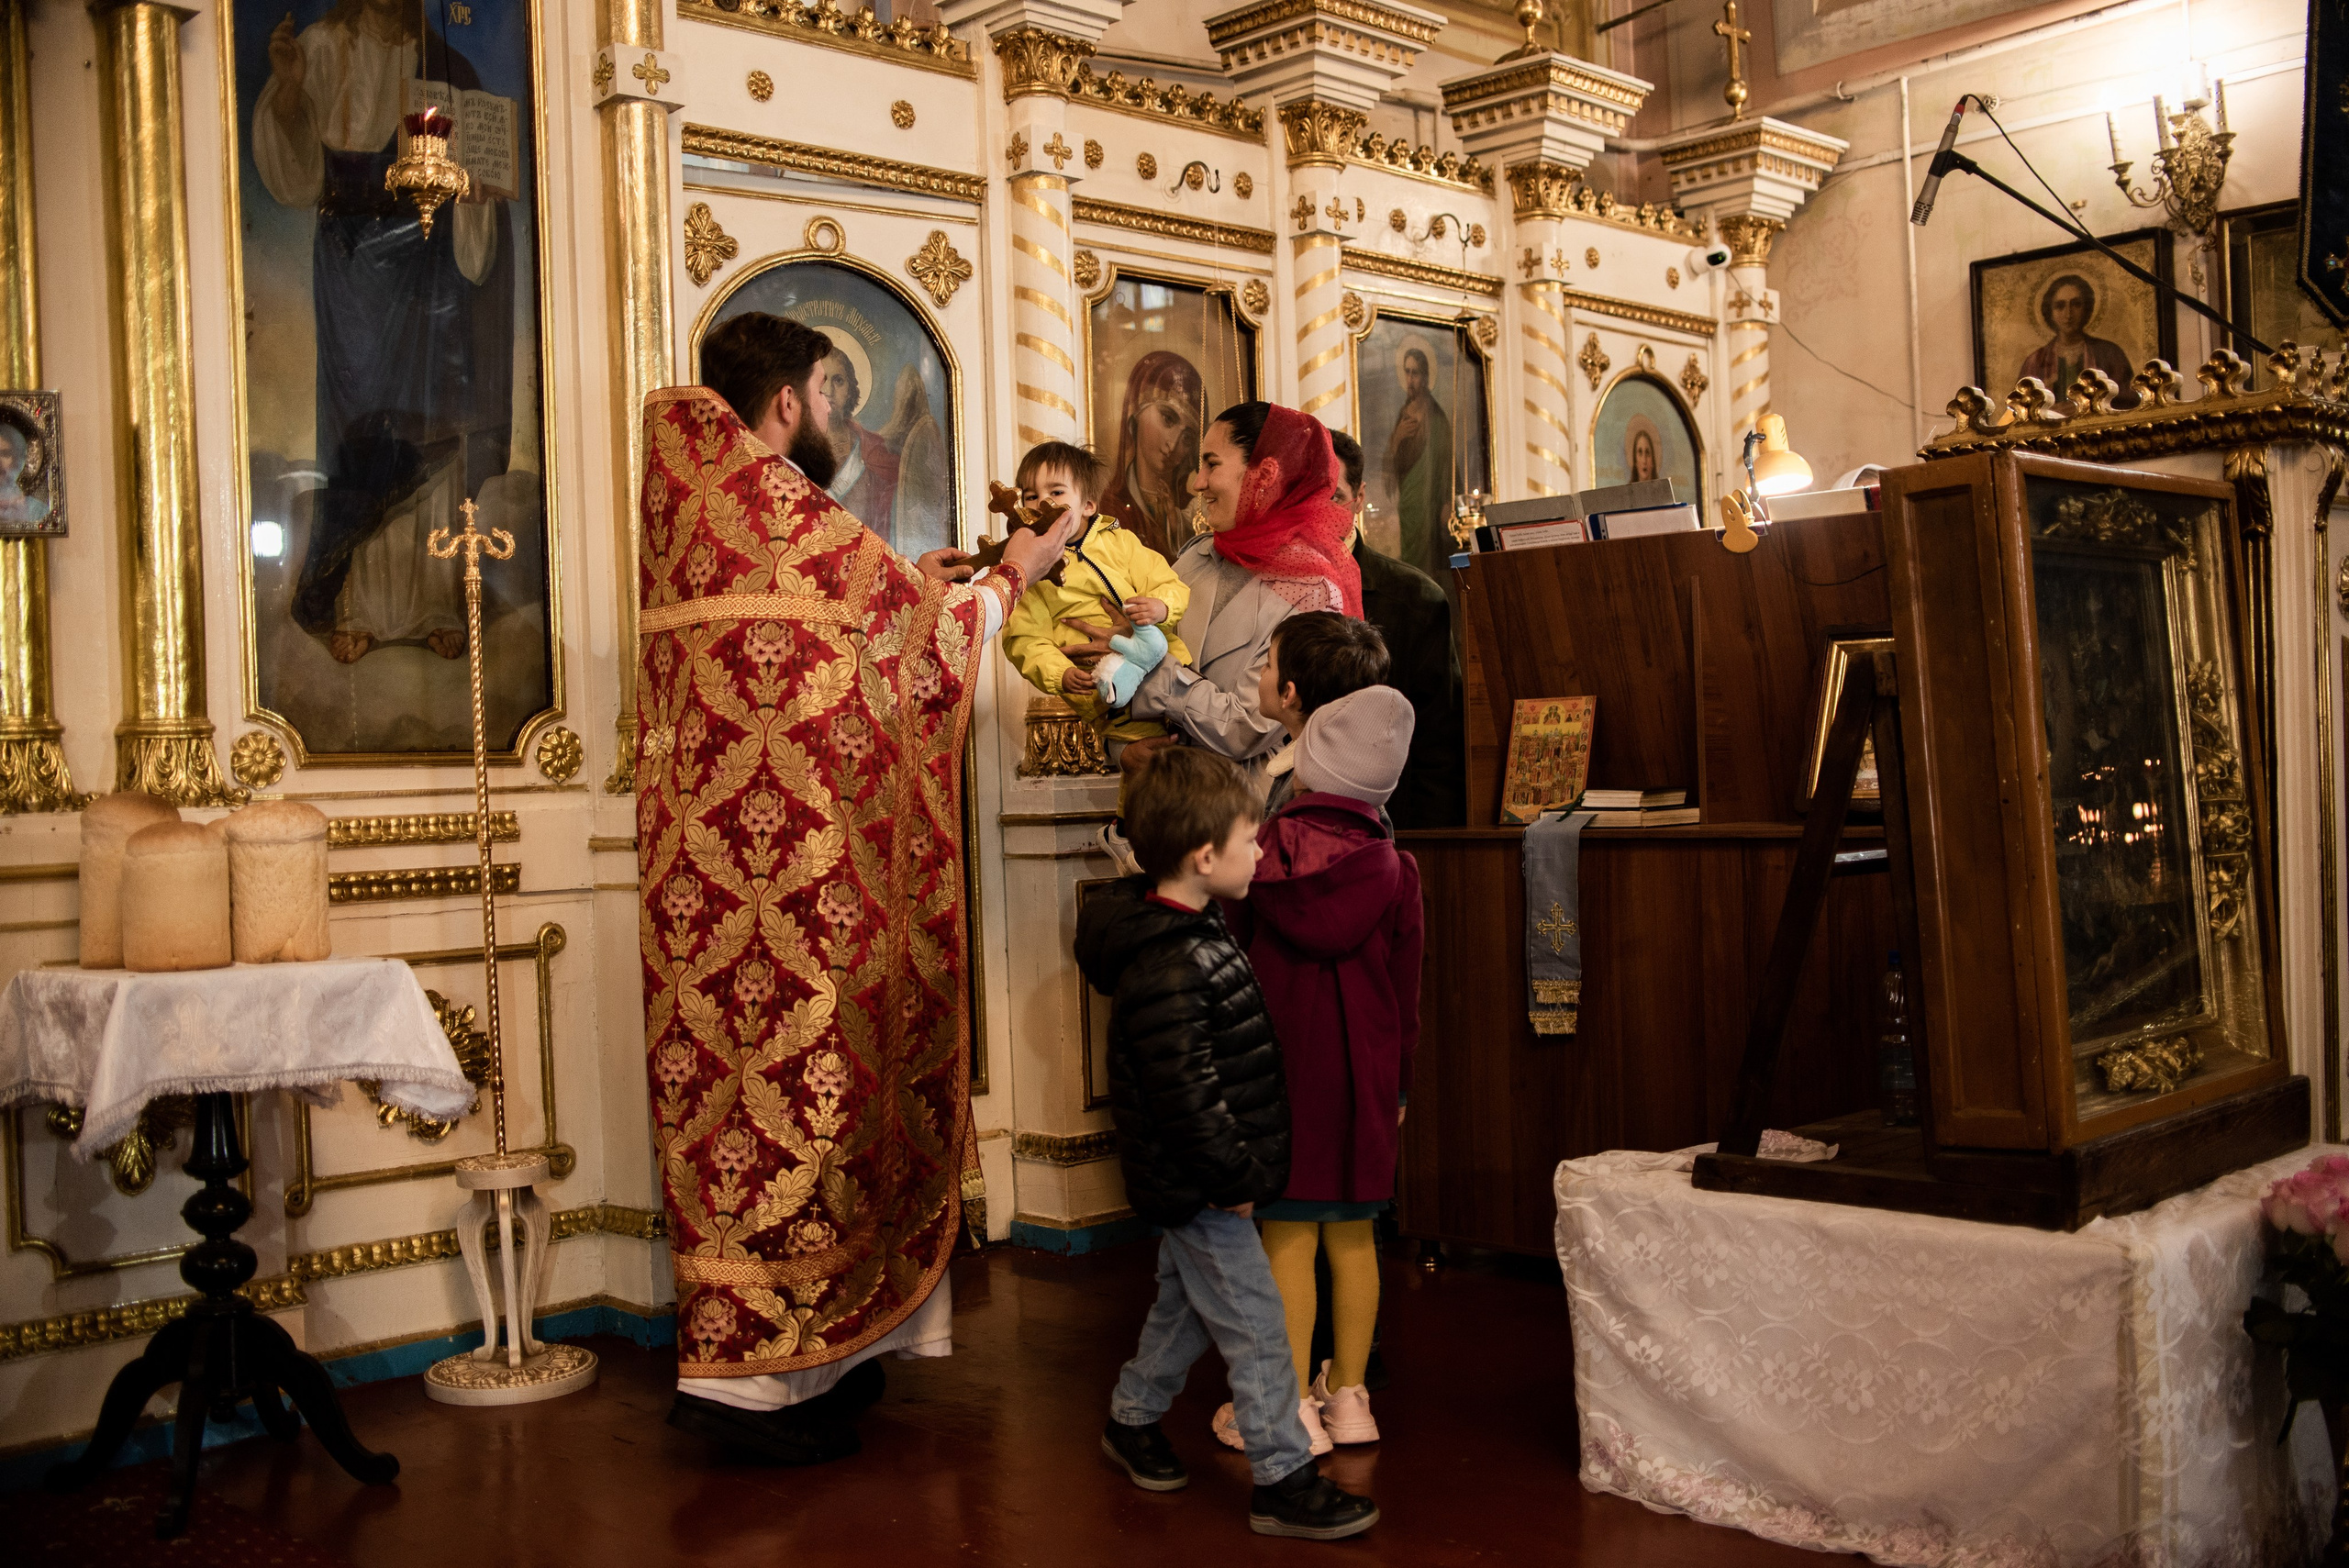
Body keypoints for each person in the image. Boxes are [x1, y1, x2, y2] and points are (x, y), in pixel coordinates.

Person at [640, 310, 1078, 1466]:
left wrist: (913, 584)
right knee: (809, 1108)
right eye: (830, 397)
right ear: (787, 401)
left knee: (749, 1118)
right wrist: (1017, 574)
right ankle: (767, 1382)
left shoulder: (704, 513)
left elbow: (861, 633)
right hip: (806, 900)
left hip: (706, 898)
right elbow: (923, 656)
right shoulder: (786, 506)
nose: (837, 418)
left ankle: (796, 1363)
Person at [1075, 747, 1381, 1542]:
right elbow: (1187, 1098)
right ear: (1205, 857)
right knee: (1257, 1327)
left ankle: (1131, 1418)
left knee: (1182, 1309)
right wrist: (1234, 1176)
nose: (1261, 852)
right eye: (1253, 839)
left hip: (1205, 1180)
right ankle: (1283, 1476)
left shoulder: (1195, 930)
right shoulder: (1170, 962)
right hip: (1204, 1183)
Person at [255, 0, 515, 666]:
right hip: (351, 265)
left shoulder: (445, 67)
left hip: (429, 266)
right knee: (363, 427)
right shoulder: (317, 48)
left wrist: (478, 200)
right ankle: (358, 605)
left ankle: (432, 601)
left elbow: (480, 187)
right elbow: (294, 177)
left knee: (432, 422)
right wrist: (287, 94)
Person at [1225, 686, 1422, 1453]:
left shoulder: (1265, 850)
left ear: (1307, 767)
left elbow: (1236, 954)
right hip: (1365, 1069)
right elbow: (1406, 993)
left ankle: (1283, 1404)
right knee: (1353, 1236)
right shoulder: (1396, 870)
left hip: (1279, 1066)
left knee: (1287, 1237)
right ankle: (1349, 1401)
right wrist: (1399, 1083)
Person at [999, 441, 1193, 754]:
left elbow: (1168, 583)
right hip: (1107, 695)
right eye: (1031, 496)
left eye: (1056, 493)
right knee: (1146, 781)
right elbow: (1024, 639)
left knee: (1196, 759)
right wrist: (1058, 674)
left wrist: (1161, 607)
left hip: (1168, 671)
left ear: (1088, 505)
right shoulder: (1030, 569)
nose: (1042, 504)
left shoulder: (1122, 544)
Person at [1331, 431, 1465, 829]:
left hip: (1390, 831)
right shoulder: (1267, 589)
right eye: (1307, 495)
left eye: (1334, 497)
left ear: (1358, 497)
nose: (1318, 511)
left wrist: (1430, 848)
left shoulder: (1415, 599)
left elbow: (1438, 745)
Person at [1255, 611, 1391, 818]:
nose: (1262, 671)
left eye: (1269, 664)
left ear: (1288, 693)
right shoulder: (1347, 769)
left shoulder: (1307, 784)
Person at [1097, 350, 1208, 562]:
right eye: (1167, 419)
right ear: (1135, 412)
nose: (1173, 445)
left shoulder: (1197, 514)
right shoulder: (1107, 508)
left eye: (1187, 438)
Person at [816, 339, 903, 545]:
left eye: (838, 381)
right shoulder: (796, 445)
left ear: (851, 389)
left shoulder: (872, 448)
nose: (829, 390)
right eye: (823, 380)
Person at [1383, 345, 1454, 582]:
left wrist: (1446, 500)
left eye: (1416, 373)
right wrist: (1398, 437)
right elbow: (1391, 460)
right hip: (1410, 502)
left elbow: (1445, 462)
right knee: (1411, 558)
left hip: (1429, 501)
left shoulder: (1435, 416)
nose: (1411, 379)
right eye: (1407, 372)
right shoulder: (1404, 412)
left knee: (1428, 560)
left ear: (1425, 377)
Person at [2018, 272, 2138, 409]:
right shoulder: (2035, 361)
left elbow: (2129, 401)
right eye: (2060, 306)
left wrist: (2089, 405)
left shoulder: (2110, 353)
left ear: (2086, 308)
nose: (2068, 314)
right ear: (2050, 312)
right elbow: (2020, 410)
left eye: (2076, 304)